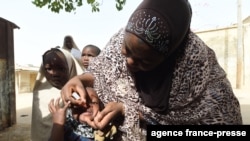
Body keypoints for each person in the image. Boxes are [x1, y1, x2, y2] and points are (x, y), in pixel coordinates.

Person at [60, 0, 243, 140]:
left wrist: (129, 112)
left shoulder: (203, 79)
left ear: (171, 58)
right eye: (126, 50)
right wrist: (82, 82)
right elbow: (103, 74)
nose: (129, 62)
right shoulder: (119, 43)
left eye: (145, 61)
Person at [31, 47, 84, 141]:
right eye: (49, 68)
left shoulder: (78, 93)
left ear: (70, 67)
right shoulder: (39, 93)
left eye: (61, 68)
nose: (54, 73)